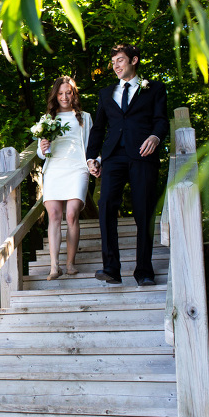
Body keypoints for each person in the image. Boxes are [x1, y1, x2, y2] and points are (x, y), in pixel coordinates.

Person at [86, 44, 168, 286]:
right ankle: (111, 268)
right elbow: (99, 128)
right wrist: (92, 157)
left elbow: (161, 121)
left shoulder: (155, 89)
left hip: (143, 154)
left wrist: (155, 137)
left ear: (134, 60)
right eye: (113, 63)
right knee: (106, 206)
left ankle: (144, 271)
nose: (116, 66)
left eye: (120, 60)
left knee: (143, 210)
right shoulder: (105, 93)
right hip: (113, 157)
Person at [37, 76, 93, 280]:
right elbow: (41, 153)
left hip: (77, 167)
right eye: (60, 93)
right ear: (55, 95)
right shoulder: (47, 119)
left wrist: (93, 162)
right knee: (53, 214)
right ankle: (54, 266)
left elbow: (91, 145)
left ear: (74, 94)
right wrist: (43, 148)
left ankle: (70, 263)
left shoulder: (84, 117)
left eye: (68, 92)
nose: (64, 97)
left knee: (71, 214)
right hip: (55, 168)